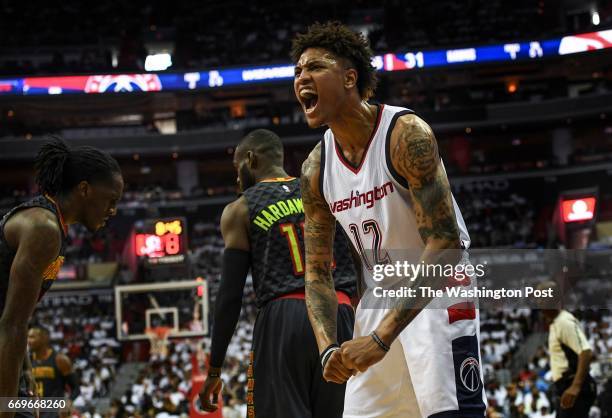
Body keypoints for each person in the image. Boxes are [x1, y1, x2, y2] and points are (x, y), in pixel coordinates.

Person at [293, 22, 486, 417]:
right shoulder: (315, 168)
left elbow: (446, 244)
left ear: (350, 77)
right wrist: (328, 345)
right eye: (297, 71)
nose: (301, 79)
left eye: (313, 67)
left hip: (437, 289)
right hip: (379, 299)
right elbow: (316, 273)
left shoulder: (404, 135)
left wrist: (379, 341)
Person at [198, 129, 357, 418]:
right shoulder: (324, 192)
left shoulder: (242, 208)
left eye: (237, 169)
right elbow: (356, 261)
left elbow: (230, 296)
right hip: (341, 312)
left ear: (250, 159)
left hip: (285, 317)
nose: (237, 179)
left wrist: (215, 368)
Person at [0, 137, 123, 418]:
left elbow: (18, 318)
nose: (113, 210)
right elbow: (12, 323)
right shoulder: (43, 227)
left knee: (54, 408)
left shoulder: (53, 224)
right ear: (84, 190)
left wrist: (25, 371)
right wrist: (7, 407)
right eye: (111, 200)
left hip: (13, 361)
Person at [538, 281, 596, 418]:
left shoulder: (564, 321)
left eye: (543, 296)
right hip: (565, 386)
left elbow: (585, 352)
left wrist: (575, 386)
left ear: (555, 299)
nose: (539, 301)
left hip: (573, 385)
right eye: (538, 297)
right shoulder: (555, 323)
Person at [28, 325, 81, 417]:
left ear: (44, 338)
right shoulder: (26, 362)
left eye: (32, 337)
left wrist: (68, 402)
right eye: (28, 337)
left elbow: (76, 388)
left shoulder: (60, 360)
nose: (28, 341)